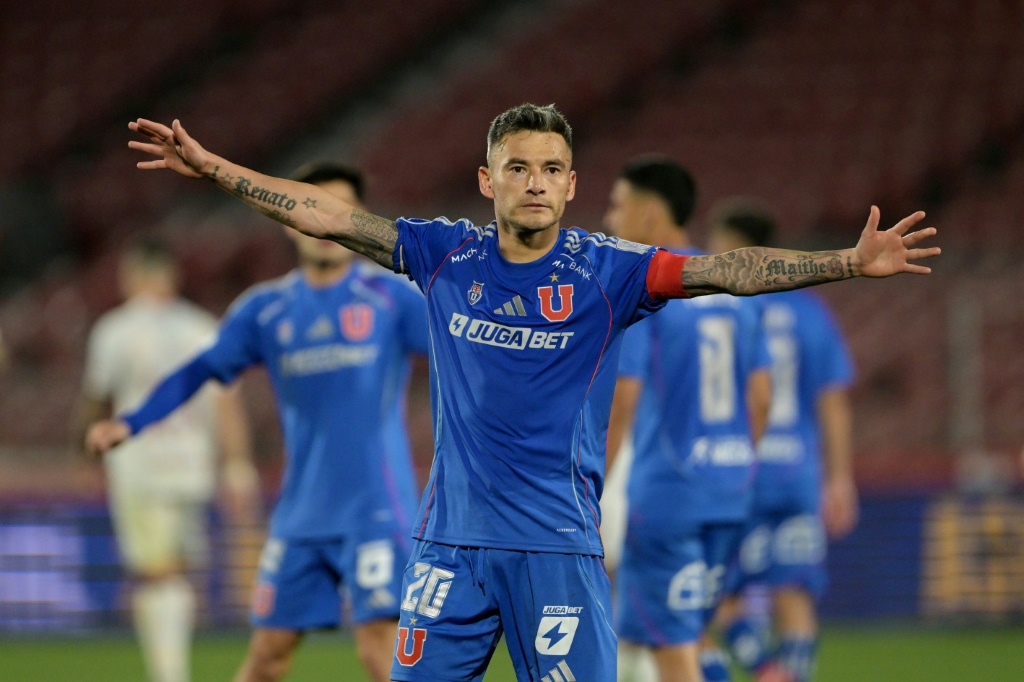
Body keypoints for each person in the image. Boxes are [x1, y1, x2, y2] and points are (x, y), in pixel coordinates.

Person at [126, 103, 939, 682]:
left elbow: (726, 270)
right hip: (449, 546)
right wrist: (213, 168)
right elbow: (326, 217)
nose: (536, 183)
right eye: (518, 168)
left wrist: (845, 261)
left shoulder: (611, 271)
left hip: (557, 548)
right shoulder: (443, 255)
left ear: (572, 183)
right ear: (488, 179)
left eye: (551, 169)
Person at [86, 163, 430, 682]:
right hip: (300, 515)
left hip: (376, 509)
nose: (326, 221)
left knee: (379, 649)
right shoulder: (266, 310)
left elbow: (463, 351)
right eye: (313, 206)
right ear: (290, 221)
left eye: (341, 209)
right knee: (268, 655)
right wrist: (132, 421)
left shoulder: (391, 298)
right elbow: (201, 370)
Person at [602, 156, 772, 682]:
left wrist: (592, 485)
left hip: (669, 494)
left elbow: (623, 398)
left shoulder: (648, 289)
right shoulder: (732, 289)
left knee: (671, 650)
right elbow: (761, 397)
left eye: (618, 205)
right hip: (730, 490)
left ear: (650, 213)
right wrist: (736, 463)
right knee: (692, 634)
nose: (610, 219)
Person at [75, 235, 258, 682]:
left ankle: (169, 674)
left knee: (155, 574)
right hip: (192, 465)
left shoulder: (114, 329)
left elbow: (96, 401)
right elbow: (227, 402)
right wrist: (237, 465)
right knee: (176, 571)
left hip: (138, 466)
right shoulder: (201, 326)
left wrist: (86, 454)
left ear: (132, 276)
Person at [707, 200, 858, 682]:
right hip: (797, 476)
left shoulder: (724, 307)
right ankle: (787, 673)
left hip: (740, 471)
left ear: (739, 249)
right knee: (794, 594)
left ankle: (765, 669)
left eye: (719, 245)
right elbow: (833, 400)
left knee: (717, 597)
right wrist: (840, 478)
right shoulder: (811, 312)